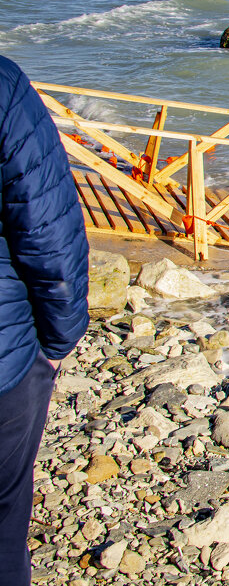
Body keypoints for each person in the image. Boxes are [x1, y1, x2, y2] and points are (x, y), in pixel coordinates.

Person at [0, 55, 90, 583]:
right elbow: (48, 229)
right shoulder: (3, 84)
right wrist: (59, 342)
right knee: (6, 511)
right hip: (7, 357)